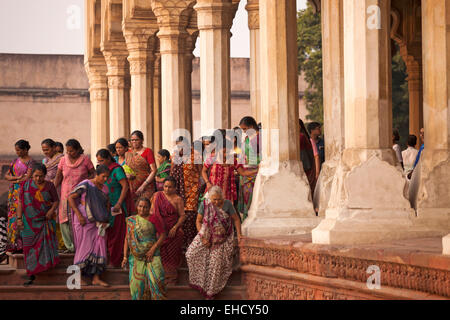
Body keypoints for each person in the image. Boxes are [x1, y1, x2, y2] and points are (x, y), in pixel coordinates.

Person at [186, 186, 242, 300]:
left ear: (223, 197)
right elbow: (198, 221)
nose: (216, 202)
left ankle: (210, 293)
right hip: (205, 235)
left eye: (219, 199)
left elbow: (236, 219)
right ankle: (200, 283)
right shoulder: (205, 204)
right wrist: (203, 238)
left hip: (222, 240)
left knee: (215, 265)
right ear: (210, 198)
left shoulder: (227, 204)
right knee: (190, 254)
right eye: (214, 199)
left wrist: (239, 235)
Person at [67, 165, 111, 287]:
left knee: (99, 247)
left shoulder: (105, 189)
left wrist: (105, 218)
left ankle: (96, 278)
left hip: (99, 224)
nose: (105, 179)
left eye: (107, 177)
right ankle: (76, 278)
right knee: (83, 248)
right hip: (84, 222)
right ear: (96, 174)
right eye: (103, 176)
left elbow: (107, 204)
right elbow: (70, 197)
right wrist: (79, 215)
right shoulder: (86, 184)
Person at [16, 164, 60, 285]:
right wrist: (19, 218)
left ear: (45, 175)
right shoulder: (25, 185)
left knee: (44, 246)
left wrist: (51, 211)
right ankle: (31, 273)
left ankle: (44, 268)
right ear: (32, 175)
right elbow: (20, 202)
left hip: (45, 221)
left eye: (41, 176)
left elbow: (56, 200)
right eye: (35, 176)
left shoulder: (50, 185)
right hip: (28, 222)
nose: (38, 179)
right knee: (28, 247)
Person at [54, 139, 95, 253]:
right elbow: (58, 177)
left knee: (80, 219)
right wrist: (51, 190)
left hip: (81, 195)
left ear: (78, 150)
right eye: (67, 151)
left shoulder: (85, 160)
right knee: (64, 220)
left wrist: (88, 184)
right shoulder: (63, 161)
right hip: (65, 195)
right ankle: (70, 246)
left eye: (72, 151)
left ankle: (81, 245)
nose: (69, 153)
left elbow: (93, 173)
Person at [122, 197, 167, 300]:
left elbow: (163, 235)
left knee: (157, 279)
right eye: (140, 206)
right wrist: (125, 256)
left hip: (153, 253)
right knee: (137, 284)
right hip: (136, 255)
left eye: (145, 207)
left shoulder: (153, 218)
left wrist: (153, 249)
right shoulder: (131, 220)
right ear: (137, 207)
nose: (142, 209)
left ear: (149, 208)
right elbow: (127, 238)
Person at [96, 149, 129, 268]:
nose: (100, 163)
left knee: (116, 235)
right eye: (98, 161)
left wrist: (119, 203)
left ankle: (115, 261)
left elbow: (125, 186)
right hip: (106, 207)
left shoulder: (117, 169)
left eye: (102, 160)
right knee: (107, 233)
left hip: (117, 208)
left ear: (108, 159)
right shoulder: (102, 171)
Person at [202, 137, 258, 204]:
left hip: (226, 193)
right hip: (212, 191)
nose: (226, 154)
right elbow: (203, 171)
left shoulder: (233, 160)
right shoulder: (212, 159)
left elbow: (243, 172)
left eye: (228, 152)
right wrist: (207, 182)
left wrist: (257, 170)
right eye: (224, 152)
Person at [151, 177, 185, 285]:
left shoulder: (177, 199)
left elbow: (182, 216)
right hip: (159, 229)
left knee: (178, 235)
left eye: (170, 187)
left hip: (172, 229)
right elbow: (152, 212)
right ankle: (158, 277)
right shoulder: (157, 196)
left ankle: (171, 277)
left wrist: (175, 227)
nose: (167, 189)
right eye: (165, 186)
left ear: (175, 188)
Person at [4, 140, 35, 253]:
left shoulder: (31, 162)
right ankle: (14, 244)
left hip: (25, 191)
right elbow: (6, 176)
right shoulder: (15, 161)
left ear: (25, 149)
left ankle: (24, 244)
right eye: (16, 150)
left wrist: (16, 179)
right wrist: (16, 179)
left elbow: (28, 177)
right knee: (12, 216)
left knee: (23, 216)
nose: (17, 152)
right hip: (14, 192)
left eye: (19, 150)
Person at [171, 138, 202, 248]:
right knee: (179, 214)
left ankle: (191, 242)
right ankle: (181, 243)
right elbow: (172, 172)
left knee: (190, 215)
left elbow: (200, 171)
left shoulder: (196, 155)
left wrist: (200, 187)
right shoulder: (175, 156)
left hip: (192, 189)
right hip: (178, 189)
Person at [41, 138, 65, 251]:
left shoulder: (61, 159)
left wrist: (52, 184)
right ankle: (51, 242)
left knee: (60, 215)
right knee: (49, 215)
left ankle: (62, 244)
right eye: (43, 150)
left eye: (47, 149)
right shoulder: (45, 161)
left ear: (54, 148)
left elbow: (62, 175)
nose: (45, 152)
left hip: (58, 189)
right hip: (46, 191)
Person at [237, 117, 261, 220]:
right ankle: (246, 219)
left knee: (255, 198)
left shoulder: (260, 137)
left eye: (245, 129)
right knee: (246, 197)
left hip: (257, 171)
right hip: (245, 172)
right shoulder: (246, 139)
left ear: (251, 127)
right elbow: (242, 155)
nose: (244, 132)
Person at [126, 130, 157, 202]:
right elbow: (126, 168)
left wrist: (143, 186)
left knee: (144, 207)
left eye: (136, 140)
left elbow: (154, 170)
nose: (134, 142)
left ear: (142, 140)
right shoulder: (128, 153)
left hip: (146, 186)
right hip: (132, 186)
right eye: (132, 140)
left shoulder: (147, 151)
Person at [299, 119, 317, 195]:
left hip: (305, 166)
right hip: (306, 166)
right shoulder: (302, 136)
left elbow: (316, 156)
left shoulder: (301, 137)